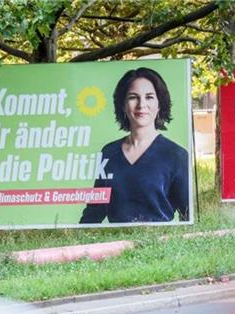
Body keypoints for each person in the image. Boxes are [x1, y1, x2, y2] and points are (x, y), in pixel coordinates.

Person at [80, 67, 189, 223]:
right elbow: (94, 211)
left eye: (149, 97)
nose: (141, 105)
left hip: (159, 243)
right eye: (133, 97)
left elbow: (188, 214)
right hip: (114, 243)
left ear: (159, 104)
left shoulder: (176, 155)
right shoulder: (109, 153)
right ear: (123, 105)